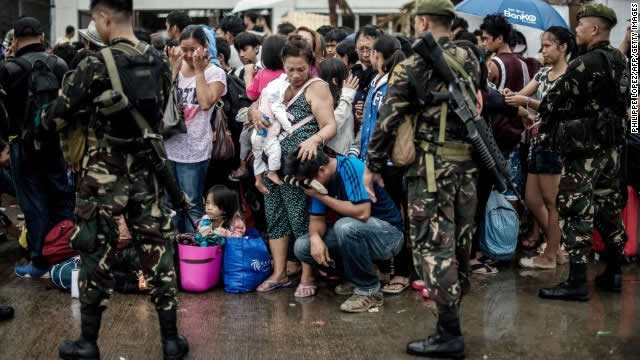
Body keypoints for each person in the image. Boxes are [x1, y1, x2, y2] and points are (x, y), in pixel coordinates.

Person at [41, 0, 188, 358]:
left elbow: (56, 117)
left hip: (102, 175)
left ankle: (88, 343)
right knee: (157, 251)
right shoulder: (157, 60)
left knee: (95, 252)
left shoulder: (93, 63)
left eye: (94, 18)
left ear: (104, 17)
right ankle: (170, 340)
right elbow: (163, 111)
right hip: (148, 173)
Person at [364, 0, 480, 357]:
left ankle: (450, 334)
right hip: (466, 167)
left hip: (430, 170)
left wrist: (372, 166)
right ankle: (451, 321)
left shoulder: (412, 64)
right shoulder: (472, 58)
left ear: (425, 22)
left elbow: (388, 119)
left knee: (434, 251)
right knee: (460, 246)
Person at [538, 4, 629, 301]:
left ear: (594, 29)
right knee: (609, 207)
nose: (576, 31)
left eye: (579, 27)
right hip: (611, 148)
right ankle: (614, 272)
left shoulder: (584, 63)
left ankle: (576, 282)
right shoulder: (620, 59)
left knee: (574, 208)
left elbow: (553, 101)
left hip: (584, 150)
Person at [249, 36, 337, 293]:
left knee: (301, 218)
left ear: (311, 64)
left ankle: (308, 275)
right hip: (272, 163)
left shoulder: (317, 87)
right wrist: (254, 112)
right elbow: (258, 104)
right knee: (275, 216)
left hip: (300, 165)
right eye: (290, 69)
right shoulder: (278, 84)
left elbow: (330, 124)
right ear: (283, 66)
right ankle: (279, 273)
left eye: (301, 68)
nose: (296, 74)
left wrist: (314, 140)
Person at [0, 17, 75, 279]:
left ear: (16, 40)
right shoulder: (60, 64)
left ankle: (39, 262)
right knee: (61, 198)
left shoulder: (9, 69)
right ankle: (64, 254)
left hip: (22, 146)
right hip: (55, 146)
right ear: (43, 37)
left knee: (34, 204)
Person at [287, 150, 403, 307]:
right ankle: (356, 278)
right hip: (357, 234)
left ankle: (369, 290)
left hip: (389, 236)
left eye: (309, 180)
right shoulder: (320, 181)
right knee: (302, 247)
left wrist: (321, 196)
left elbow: (362, 213)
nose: (308, 185)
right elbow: (316, 219)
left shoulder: (351, 166)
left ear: (322, 169)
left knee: (345, 226)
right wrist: (315, 238)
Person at [504, 27, 575, 270]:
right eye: (542, 46)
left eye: (548, 46)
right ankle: (558, 247)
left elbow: (553, 108)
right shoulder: (543, 74)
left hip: (555, 143)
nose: (542, 50)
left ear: (563, 47)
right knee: (533, 199)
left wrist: (525, 102)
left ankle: (551, 255)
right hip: (538, 142)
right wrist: (510, 96)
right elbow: (520, 97)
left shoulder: (570, 77)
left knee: (551, 201)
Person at [166, 25, 227, 234]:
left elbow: (204, 103)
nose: (189, 55)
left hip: (195, 151)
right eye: (185, 49)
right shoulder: (175, 66)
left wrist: (200, 72)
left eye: (194, 49)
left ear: (205, 47)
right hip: (168, 146)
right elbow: (160, 100)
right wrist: (173, 70)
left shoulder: (215, 73)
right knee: (170, 206)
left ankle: (191, 252)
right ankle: (172, 255)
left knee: (192, 204)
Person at [231, 35, 287, 182]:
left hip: (262, 119)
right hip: (281, 121)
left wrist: (248, 75)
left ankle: (243, 167)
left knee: (245, 137)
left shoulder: (263, 73)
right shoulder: (287, 74)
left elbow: (250, 93)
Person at [319, 57, 358, 155]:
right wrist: (347, 98)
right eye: (346, 76)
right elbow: (331, 125)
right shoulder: (323, 100)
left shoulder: (343, 97)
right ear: (335, 80)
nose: (350, 78)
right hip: (332, 157)